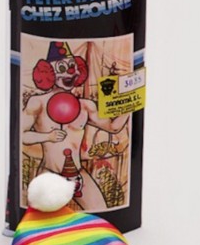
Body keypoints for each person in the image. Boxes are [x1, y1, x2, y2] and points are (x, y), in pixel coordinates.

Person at [22, 41, 129, 210]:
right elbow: (22, 135)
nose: (69, 72)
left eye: (72, 67)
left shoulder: (86, 106)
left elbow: (113, 127)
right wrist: (47, 136)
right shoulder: (38, 103)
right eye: (62, 68)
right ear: (49, 72)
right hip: (50, 173)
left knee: (101, 211)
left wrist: (131, 103)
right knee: (39, 219)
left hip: (78, 175)